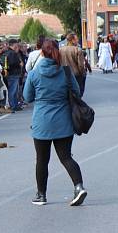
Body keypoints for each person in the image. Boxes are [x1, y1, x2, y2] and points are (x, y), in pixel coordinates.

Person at [23, 39, 87, 207]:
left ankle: (41, 195)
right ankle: (78, 187)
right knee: (66, 157)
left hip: (42, 122)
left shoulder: (34, 74)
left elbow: (27, 97)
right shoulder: (65, 72)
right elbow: (77, 92)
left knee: (42, 160)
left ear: (41, 53)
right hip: (63, 120)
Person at [4, 39, 24, 110]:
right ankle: (13, 105)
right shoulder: (11, 53)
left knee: (15, 90)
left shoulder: (9, 52)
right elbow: (12, 64)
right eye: (16, 44)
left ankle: (15, 104)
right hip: (13, 73)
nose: (17, 46)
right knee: (13, 90)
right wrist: (19, 64)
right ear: (13, 45)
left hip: (13, 73)